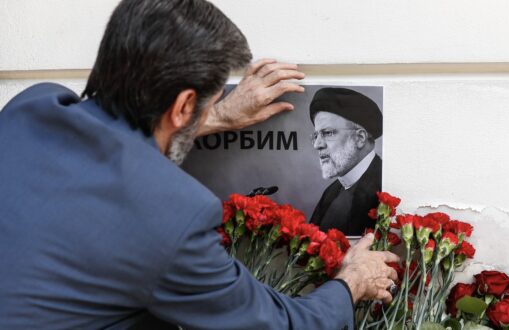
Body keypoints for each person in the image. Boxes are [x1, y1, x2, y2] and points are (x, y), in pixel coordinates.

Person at [0, 1, 399, 329]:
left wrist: (218, 118)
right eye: (207, 103)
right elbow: (273, 326)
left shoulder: (32, 108)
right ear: (183, 107)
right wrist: (352, 283)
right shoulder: (174, 215)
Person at [309, 87, 383, 236]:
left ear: (360, 138)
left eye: (328, 133)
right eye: (316, 136)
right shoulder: (330, 193)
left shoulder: (384, 185)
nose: (317, 144)